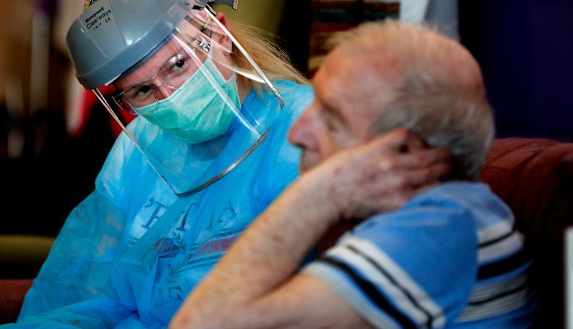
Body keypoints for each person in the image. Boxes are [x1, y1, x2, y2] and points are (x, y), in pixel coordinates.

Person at [169, 20, 538, 328]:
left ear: (401, 152)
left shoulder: (439, 226)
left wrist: (321, 192)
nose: (297, 133)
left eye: (331, 117)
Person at [0, 0, 317, 327]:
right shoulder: (137, 148)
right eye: (143, 90)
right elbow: (89, 292)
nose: (170, 96)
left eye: (178, 64)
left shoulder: (307, 126)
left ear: (220, 34)